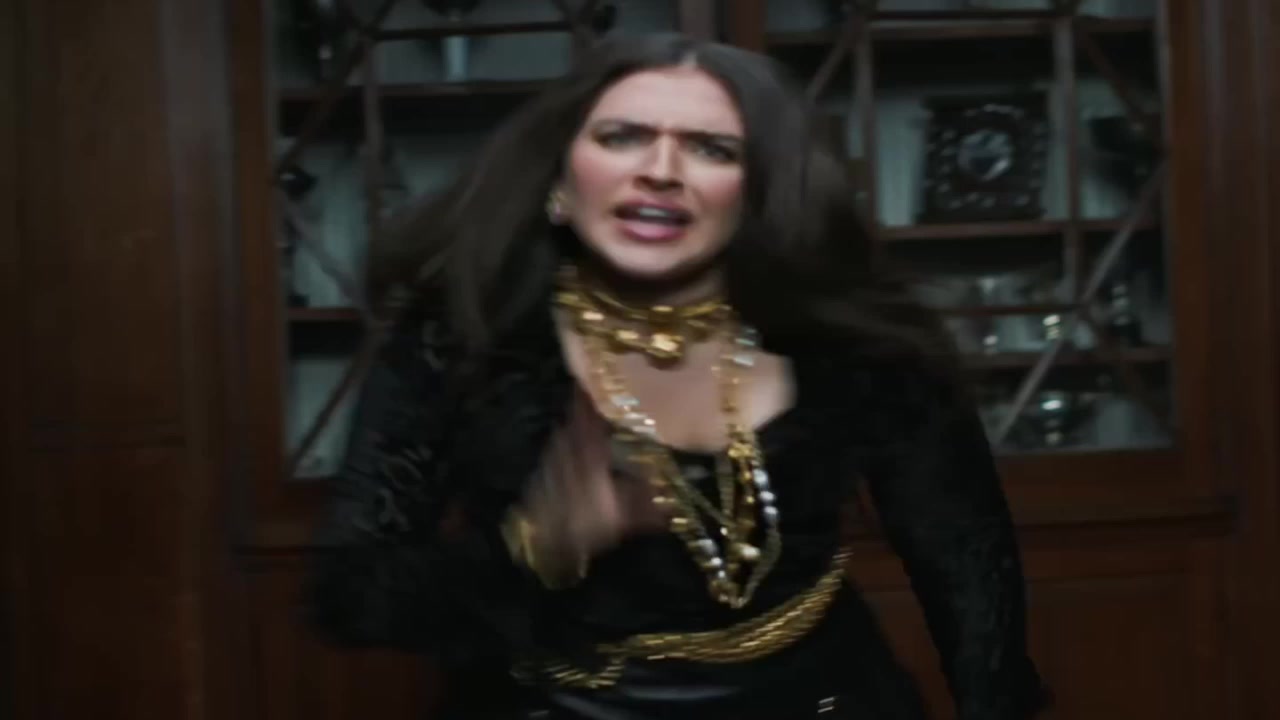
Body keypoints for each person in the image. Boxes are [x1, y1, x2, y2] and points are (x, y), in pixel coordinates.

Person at [303, 31, 1051, 720]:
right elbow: (347, 598)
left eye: (711, 149)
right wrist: (531, 550)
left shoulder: (860, 343)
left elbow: (967, 565)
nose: (660, 171)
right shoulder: (461, 336)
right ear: (560, 176)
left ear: (757, 194)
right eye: (622, 137)